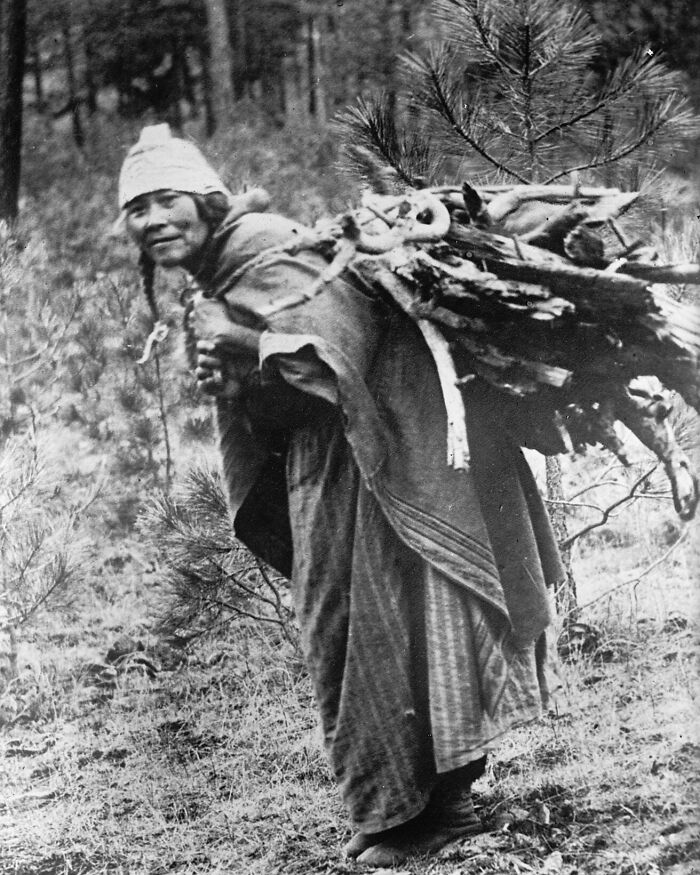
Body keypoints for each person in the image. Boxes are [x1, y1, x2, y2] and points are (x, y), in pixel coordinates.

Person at [118, 124, 565, 868]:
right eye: (139, 209)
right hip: (332, 459)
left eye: (168, 200)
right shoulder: (221, 268)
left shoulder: (261, 242)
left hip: (379, 448)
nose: (156, 219)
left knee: (383, 620)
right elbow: (282, 384)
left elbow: (340, 339)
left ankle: (422, 812)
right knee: (351, 625)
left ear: (206, 199)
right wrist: (236, 368)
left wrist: (244, 345)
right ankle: (398, 809)